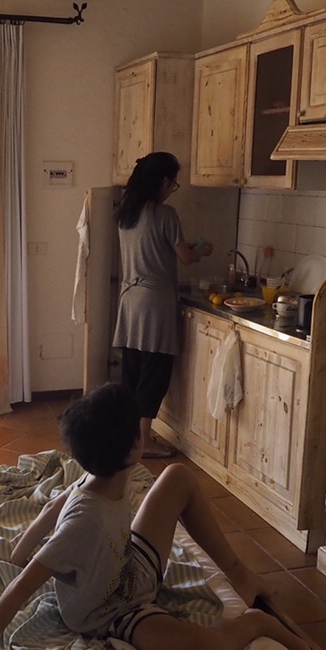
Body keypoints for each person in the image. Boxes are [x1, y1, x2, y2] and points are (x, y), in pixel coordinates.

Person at [0, 382, 318, 650]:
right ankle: (258, 624)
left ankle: (240, 574)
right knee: (206, 649)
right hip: (114, 610)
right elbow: (21, 587)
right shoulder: (84, 522)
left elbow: (50, 509)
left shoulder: (99, 475)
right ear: (134, 446)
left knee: (178, 476)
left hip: (130, 563)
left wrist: (16, 552)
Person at [113, 151, 212, 458]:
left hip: (129, 302)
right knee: (154, 374)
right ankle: (145, 441)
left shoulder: (127, 214)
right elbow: (185, 257)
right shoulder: (165, 214)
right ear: (163, 182)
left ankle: (130, 438)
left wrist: (184, 248)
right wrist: (203, 250)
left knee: (133, 373)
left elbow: (153, 247)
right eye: (173, 184)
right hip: (154, 304)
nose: (172, 190)